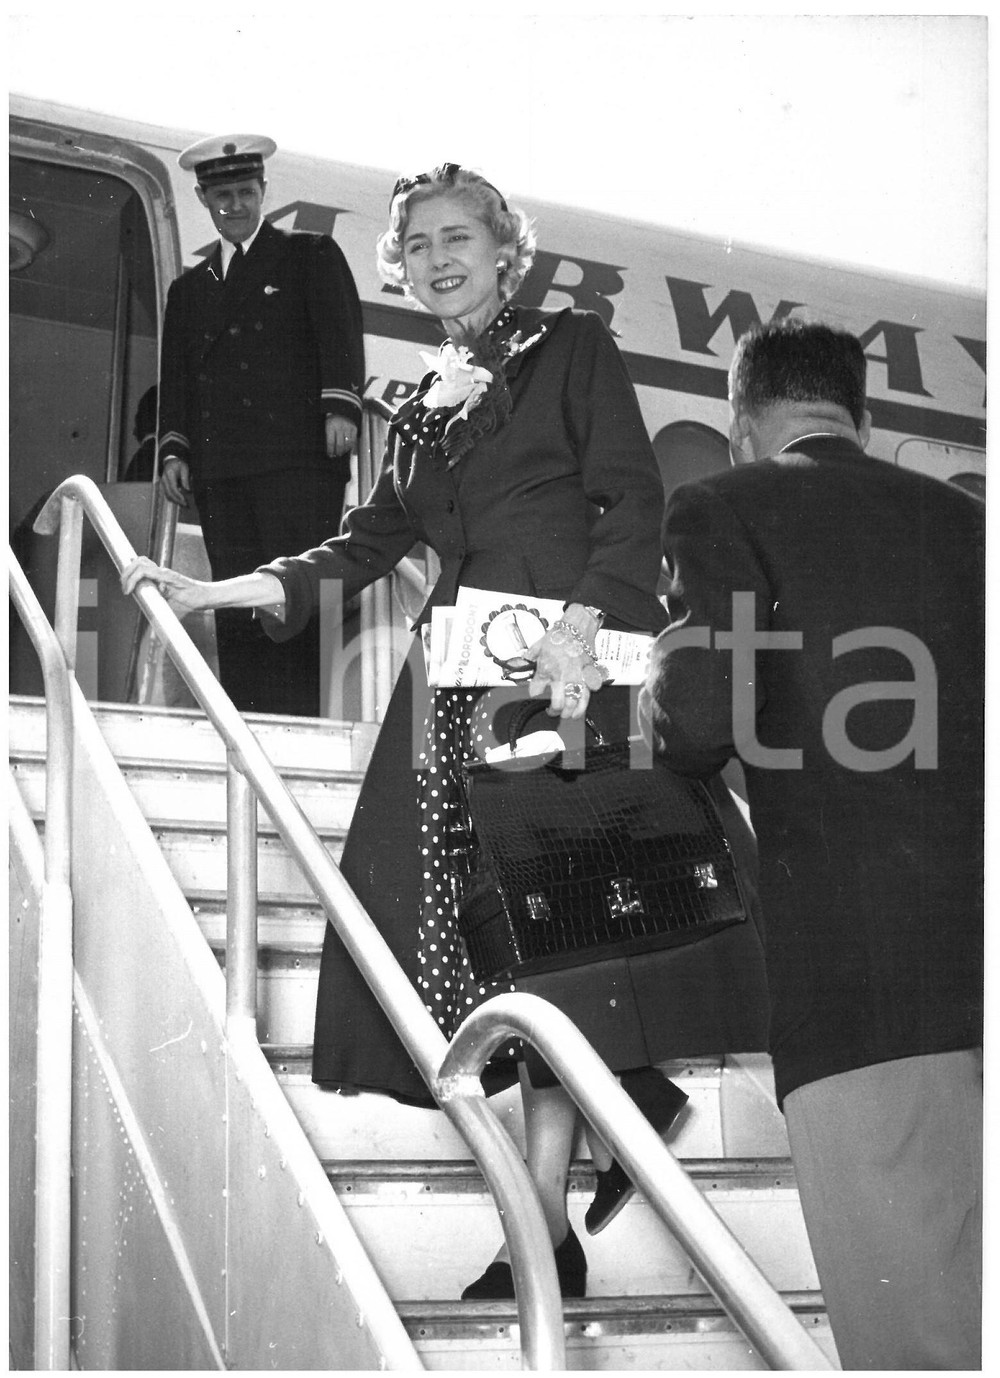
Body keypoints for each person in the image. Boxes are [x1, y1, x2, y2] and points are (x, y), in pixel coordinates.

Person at [123, 164, 769, 1298]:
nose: (437, 258)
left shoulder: (574, 348)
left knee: (550, 933)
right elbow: (367, 542)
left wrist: (570, 660)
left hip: (559, 670)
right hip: (453, 679)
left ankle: (547, 1231)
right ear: (399, 267)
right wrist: (223, 595)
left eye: (458, 236)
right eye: (416, 244)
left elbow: (631, 502)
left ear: (505, 247)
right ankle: (620, 1112)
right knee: (455, 935)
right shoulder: (415, 406)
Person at [639, 318, 984, 1369]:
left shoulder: (725, 505)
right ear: (863, 418)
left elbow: (699, 720)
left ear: (743, 425)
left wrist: (654, 676)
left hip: (862, 986)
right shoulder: (968, 522)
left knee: (913, 1332)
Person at [156, 132, 365, 716]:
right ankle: (243, 718)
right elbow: (178, 379)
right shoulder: (189, 289)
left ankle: (295, 721)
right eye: (221, 197)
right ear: (202, 198)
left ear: (264, 190)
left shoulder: (308, 254)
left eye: (245, 192)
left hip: (297, 460)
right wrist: (175, 450)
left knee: (293, 596)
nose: (235, 207)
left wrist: (340, 407)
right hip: (224, 470)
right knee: (234, 599)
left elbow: (339, 335)